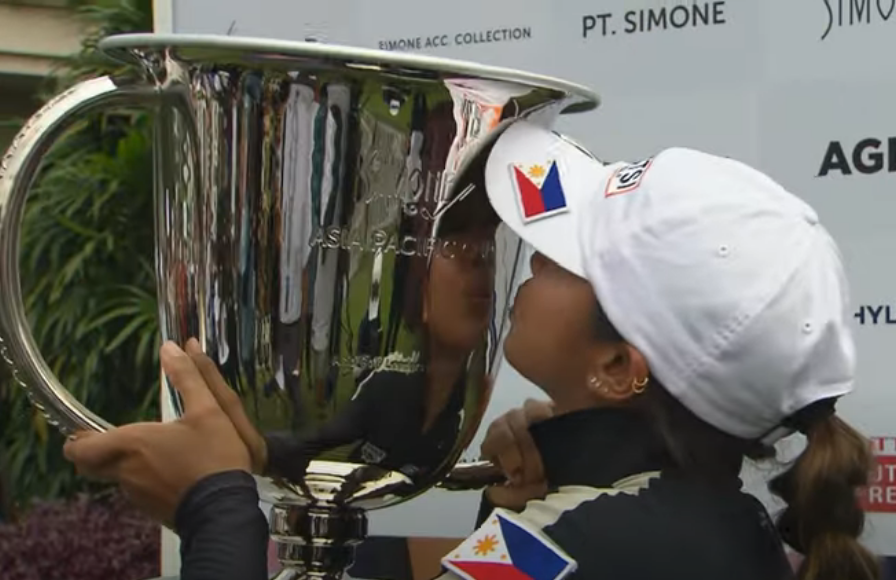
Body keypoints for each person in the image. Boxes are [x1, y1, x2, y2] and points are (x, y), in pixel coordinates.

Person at [63, 119, 879, 580]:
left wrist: (214, 510)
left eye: (563, 258)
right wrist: (533, 498)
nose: (526, 259)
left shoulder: (592, 545)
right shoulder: (684, 521)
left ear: (619, 368)